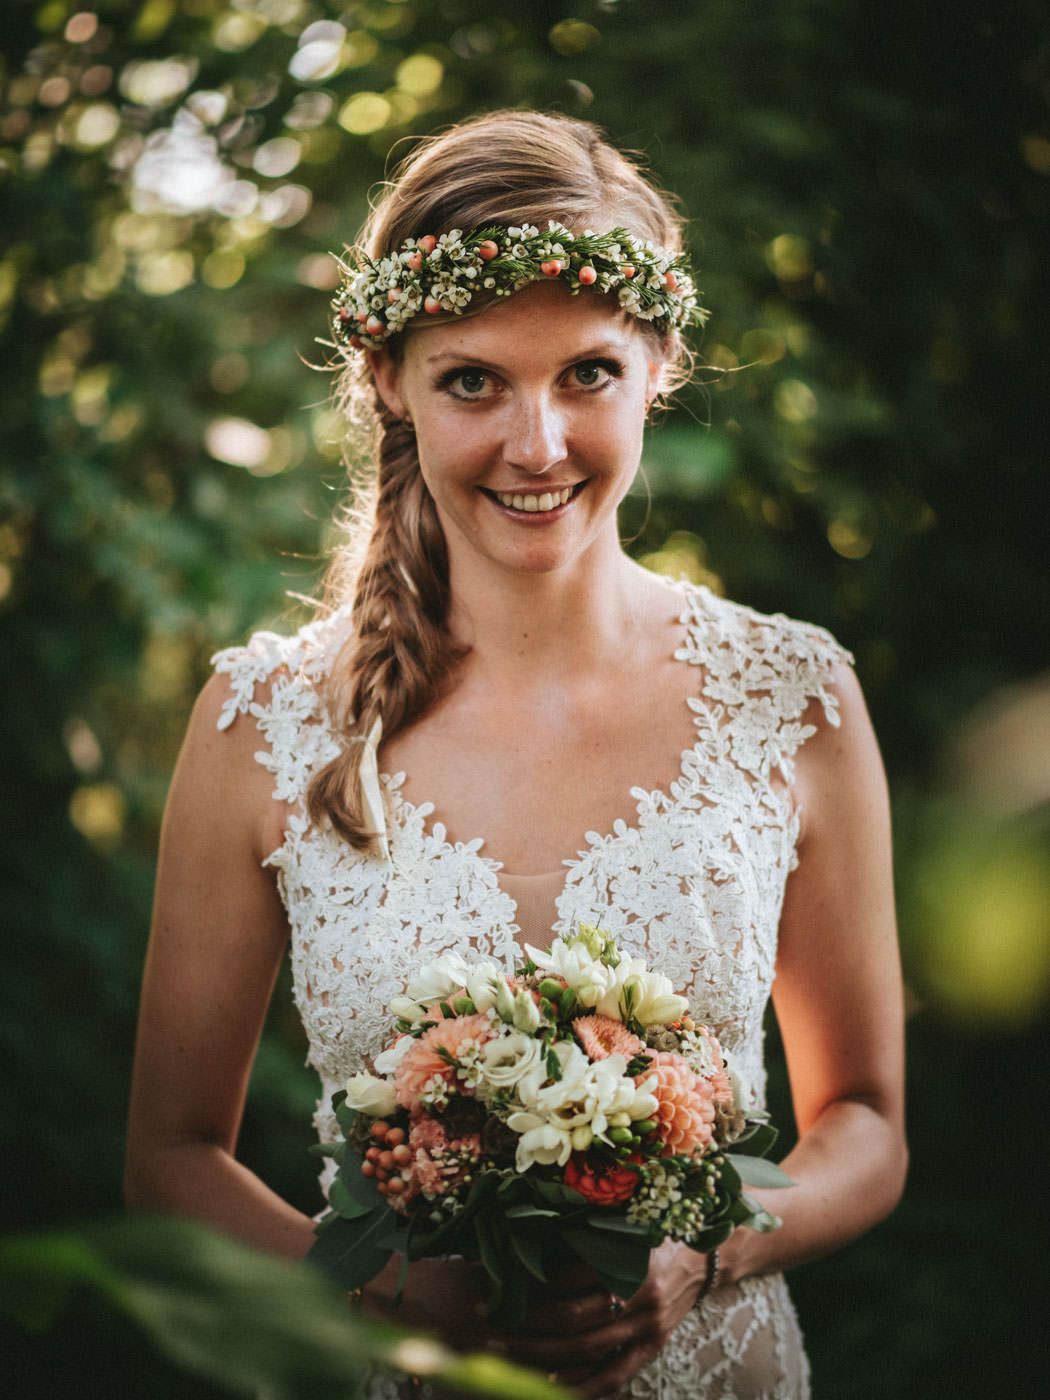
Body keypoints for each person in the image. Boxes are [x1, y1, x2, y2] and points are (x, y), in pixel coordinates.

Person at [125, 109, 907, 1399]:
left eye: (587, 373)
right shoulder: (258, 727)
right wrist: (387, 1292)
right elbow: (167, 1156)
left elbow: (864, 1123)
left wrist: (709, 1245)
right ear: (390, 379)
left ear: (658, 362)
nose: (536, 445)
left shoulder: (794, 696)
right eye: (473, 379)